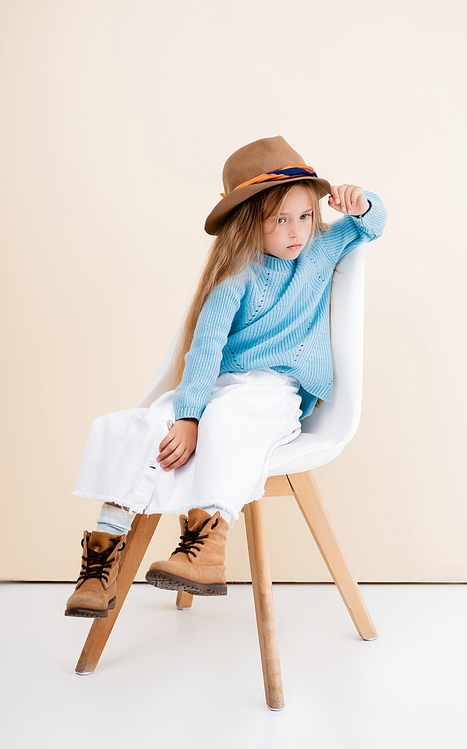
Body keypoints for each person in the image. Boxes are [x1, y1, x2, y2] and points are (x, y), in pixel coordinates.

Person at [65, 135, 387, 618]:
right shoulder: (236, 275)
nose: (296, 231)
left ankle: (207, 543)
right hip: (216, 384)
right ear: (249, 224)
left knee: (234, 423)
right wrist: (188, 415)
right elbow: (205, 351)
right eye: (279, 220)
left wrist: (362, 202)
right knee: (147, 427)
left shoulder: (318, 250)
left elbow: (373, 225)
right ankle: (104, 556)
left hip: (276, 387)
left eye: (304, 216)